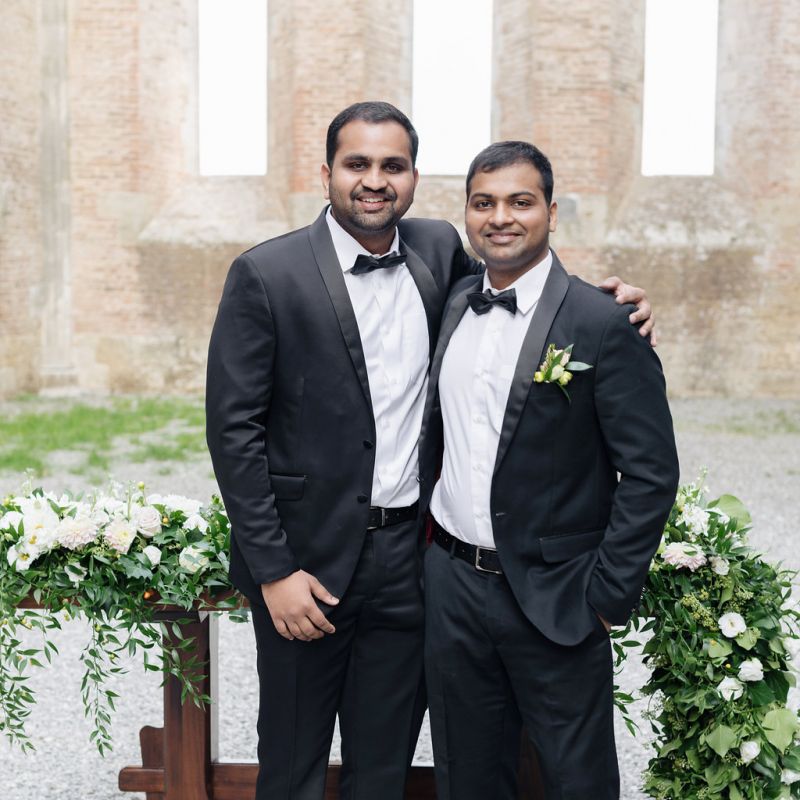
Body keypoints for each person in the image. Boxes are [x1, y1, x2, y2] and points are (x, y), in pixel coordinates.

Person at [205, 103, 654, 800]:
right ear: (327, 173)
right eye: (357, 164)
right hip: (306, 565)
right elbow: (233, 432)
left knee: (381, 766)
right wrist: (273, 569)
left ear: (415, 177)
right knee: (291, 764)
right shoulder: (267, 274)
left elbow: (526, 282)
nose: (374, 181)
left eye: (393, 166)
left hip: (408, 563)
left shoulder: (439, 252)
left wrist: (612, 303)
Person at [419, 141, 680, 800]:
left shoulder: (602, 322)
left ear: (551, 213)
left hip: (561, 597)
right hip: (451, 587)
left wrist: (606, 598)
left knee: (576, 781)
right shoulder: (450, 304)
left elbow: (650, 473)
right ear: (468, 215)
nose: (500, 217)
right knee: (467, 777)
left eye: (519, 202)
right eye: (484, 203)